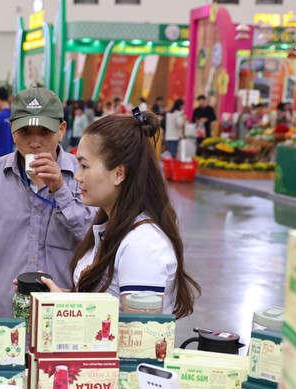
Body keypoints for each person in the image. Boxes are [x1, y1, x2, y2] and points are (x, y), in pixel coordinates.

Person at [39, 110, 200, 317]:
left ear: (118, 174)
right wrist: (57, 298)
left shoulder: (142, 245)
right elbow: (106, 308)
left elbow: (139, 336)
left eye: (85, 166)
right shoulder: (111, 227)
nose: (77, 176)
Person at [0, 87, 96, 318]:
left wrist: (61, 191)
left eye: (44, 131)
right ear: (13, 132)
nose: (35, 143)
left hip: (60, 321)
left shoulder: (83, 177)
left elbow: (94, 240)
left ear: (61, 130)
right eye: (25, 131)